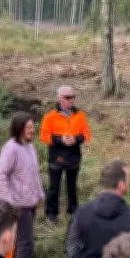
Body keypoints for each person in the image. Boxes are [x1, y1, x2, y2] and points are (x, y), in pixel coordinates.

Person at [0, 112, 44, 258]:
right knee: (25, 242)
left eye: (33, 127)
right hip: (18, 204)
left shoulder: (29, 147)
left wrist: (39, 194)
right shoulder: (11, 148)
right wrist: (9, 202)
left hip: (30, 202)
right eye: (29, 127)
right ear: (19, 129)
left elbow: (33, 174)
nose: (32, 130)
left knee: (23, 240)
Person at [40, 86, 91, 223]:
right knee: (53, 187)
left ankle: (73, 211)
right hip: (56, 157)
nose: (71, 100)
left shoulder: (80, 115)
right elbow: (44, 136)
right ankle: (51, 214)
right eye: (67, 97)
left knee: (72, 186)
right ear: (59, 98)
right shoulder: (49, 116)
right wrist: (60, 139)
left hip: (74, 157)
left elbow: (86, 134)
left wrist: (76, 139)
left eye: (72, 97)